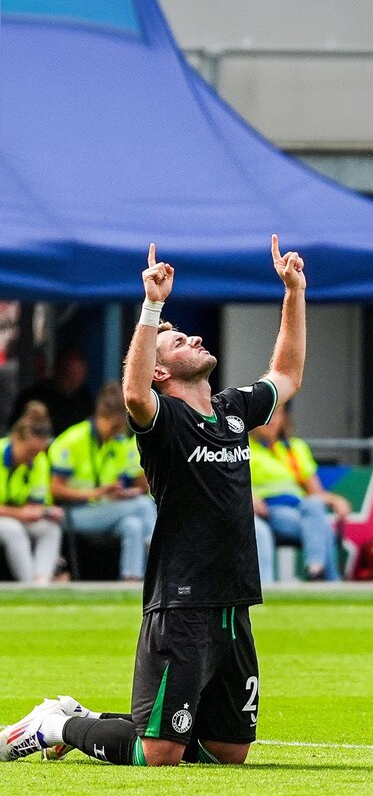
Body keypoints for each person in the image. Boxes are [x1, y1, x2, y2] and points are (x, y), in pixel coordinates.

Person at [0, 234, 306, 767]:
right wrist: (152, 307)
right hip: (182, 602)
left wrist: (294, 294)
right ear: (161, 371)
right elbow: (136, 393)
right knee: (160, 752)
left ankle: (80, 716)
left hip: (234, 602)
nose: (190, 338)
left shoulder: (232, 411)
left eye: (186, 334)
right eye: (176, 341)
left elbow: (287, 374)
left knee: (226, 751)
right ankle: (56, 725)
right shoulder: (162, 421)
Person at [47, 382, 156, 581]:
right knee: (143, 506)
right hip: (72, 513)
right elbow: (55, 490)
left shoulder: (120, 442)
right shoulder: (72, 439)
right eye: (115, 426)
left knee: (133, 525)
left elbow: (141, 486)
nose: (118, 433)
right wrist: (97, 493)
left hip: (107, 509)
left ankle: (130, 581)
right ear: (101, 417)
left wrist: (124, 492)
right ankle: (158, 549)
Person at [250, 404, 350, 581]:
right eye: (266, 415)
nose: (271, 420)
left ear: (283, 419)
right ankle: (328, 581)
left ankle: (315, 567)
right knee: (324, 529)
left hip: (300, 509)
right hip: (270, 511)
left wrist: (335, 500)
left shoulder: (295, 448)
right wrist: (249, 498)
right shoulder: (243, 447)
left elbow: (315, 493)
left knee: (314, 505)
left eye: (277, 415)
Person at [0, 401, 64, 583]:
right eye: (29, 451)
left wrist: (45, 512)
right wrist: (20, 513)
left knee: (50, 528)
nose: (33, 457)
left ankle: (42, 581)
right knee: (14, 530)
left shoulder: (39, 461)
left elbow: (36, 503)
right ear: (15, 439)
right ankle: (29, 585)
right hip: (10, 518)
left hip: (17, 515)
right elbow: (22, 513)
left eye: (37, 452)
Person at [11, 345, 94, 436]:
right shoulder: (36, 396)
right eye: (70, 374)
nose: (76, 379)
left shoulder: (85, 397)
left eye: (80, 374)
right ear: (58, 370)